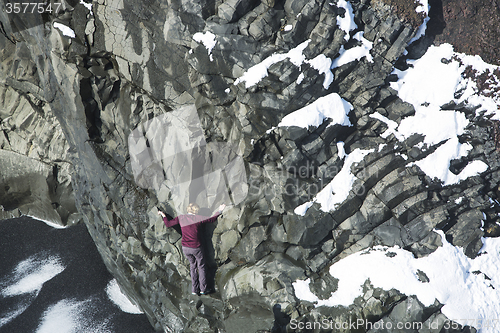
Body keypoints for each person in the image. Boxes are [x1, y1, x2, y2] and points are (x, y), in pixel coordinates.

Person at [158, 202, 226, 295]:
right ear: (196, 210)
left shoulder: (181, 217)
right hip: (196, 247)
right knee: (201, 266)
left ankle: (194, 290)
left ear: (188, 209)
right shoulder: (197, 218)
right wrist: (220, 210)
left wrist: (163, 215)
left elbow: (168, 224)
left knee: (192, 267)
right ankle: (203, 289)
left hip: (186, 248)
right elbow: (212, 219)